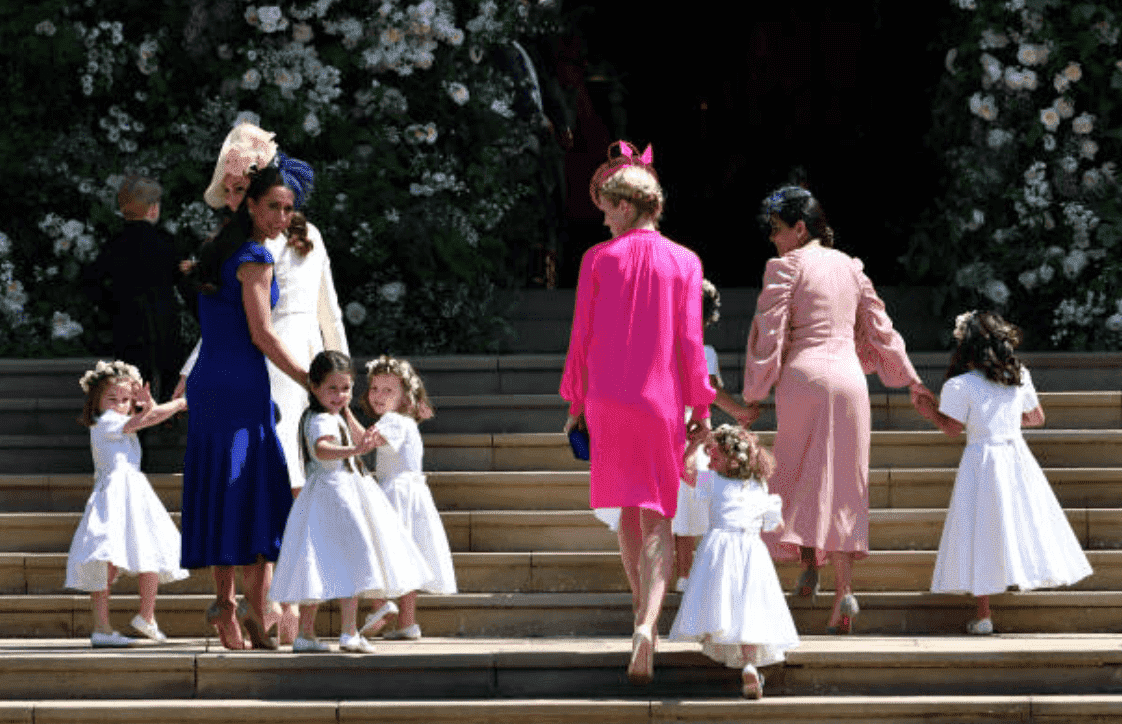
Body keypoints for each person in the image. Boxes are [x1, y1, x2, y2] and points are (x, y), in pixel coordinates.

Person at [741, 185, 934, 634]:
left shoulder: (785, 266)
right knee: (845, 482)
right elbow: (882, 329)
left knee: (793, 472)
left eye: (776, 230)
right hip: (849, 381)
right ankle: (844, 590)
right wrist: (911, 379)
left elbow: (767, 336)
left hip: (804, 378)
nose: (773, 239)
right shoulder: (851, 267)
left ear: (800, 228)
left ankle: (809, 564)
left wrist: (753, 392)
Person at [560, 141, 716, 685]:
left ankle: (638, 611)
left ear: (626, 207)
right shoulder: (687, 261)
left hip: (607, 398)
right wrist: (701, 405)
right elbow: (691, 343)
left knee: (627, 511)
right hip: (660, 401)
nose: (602, 217)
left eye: (606, 206)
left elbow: (580, 337)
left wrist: (575, 403)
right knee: (658, 517)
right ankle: (649, 623)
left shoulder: (597, 260)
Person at [181, 159, 311, 650]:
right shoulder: (256, 256)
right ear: (251, 205)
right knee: (252, 493)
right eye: (274, 206)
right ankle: (255, 609)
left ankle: (229, 604)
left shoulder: (218, 248)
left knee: (225, 490)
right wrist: (307, 379)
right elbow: (262, 333)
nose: (282, 217)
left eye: (289, 209)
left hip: (209, 381)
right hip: (239, 386)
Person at [915, 310, 1092, 634]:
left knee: (980, 528)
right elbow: (1037, 417)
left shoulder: (959, 385)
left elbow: (953, 429)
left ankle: (984, 614)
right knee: (1020, 521)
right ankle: (1017, 577)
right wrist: (1005, 420)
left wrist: (930, 411)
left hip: (981, 458)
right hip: (1015, 455)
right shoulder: (1018, 374)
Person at [269, 351, 435, 653]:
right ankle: (345, 632)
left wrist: (354, 444)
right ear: (314, 387)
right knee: (353, 559)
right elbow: (323, 449)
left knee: (324, 562)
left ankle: (313, 634)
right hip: (336, 495)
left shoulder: (328, 416)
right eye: (332, 388)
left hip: (332, 494)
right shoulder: (321, 419)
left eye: (345, 388)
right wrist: (354, 449)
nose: (340, 395)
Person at [668, 424, 799, 699]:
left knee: (724, 603)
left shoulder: (710, 481)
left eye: (714, 458)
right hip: (751, 549)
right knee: (748, 608)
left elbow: (684, 471)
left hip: (718, 548)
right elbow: (775, 525)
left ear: (732, 458)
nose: (711, 463)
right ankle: (749, 664)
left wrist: (692, 447)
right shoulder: (759, 485)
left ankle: (741, 658)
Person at [66, 360, 189, 647]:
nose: (119, 405)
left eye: (125, 399)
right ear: (96, 402)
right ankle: (102, 626)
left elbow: (145, 416)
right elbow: (146, 420)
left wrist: (147, 404)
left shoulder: (122, 424)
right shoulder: (106, 422)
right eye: (112, 399)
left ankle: (147, 616)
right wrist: (179, 403)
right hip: (115, 496)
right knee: (107, 559)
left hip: (135, 493)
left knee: (150, 553)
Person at [360, 355, 456, 641]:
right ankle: (407, 622)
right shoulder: (406, 421)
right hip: (414, 494)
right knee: (408, 558)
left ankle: (379, 606)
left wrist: (341, 418)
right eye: (374, 389)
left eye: (388, 391)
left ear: (404, 397)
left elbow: (365, 440)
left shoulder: (391, 421)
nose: (378, 396)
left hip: (394, 494)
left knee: (379, 551)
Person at [84, 176, 184, 402]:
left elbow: (92, 281)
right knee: (168, 376)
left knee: (133, 381)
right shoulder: (164, 242)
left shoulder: (115, 243)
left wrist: (111, 305)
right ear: (153, 209)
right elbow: (180, 279)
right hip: (163, 319)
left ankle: (137, 430)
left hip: (128, 322)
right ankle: (166, 421)